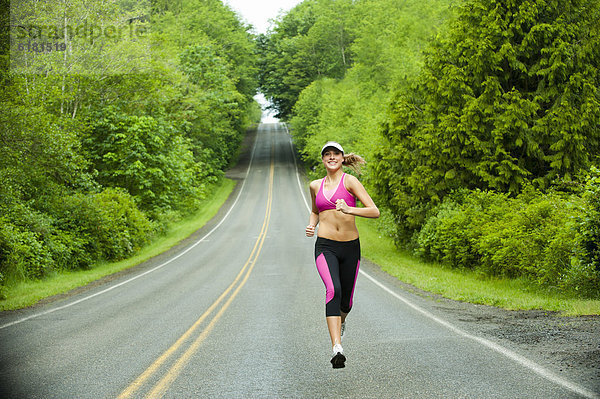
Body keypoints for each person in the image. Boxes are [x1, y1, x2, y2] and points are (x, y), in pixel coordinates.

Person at [305, 141, 380, 369]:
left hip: (350, 248)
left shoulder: (350, 182)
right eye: (326, 154)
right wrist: (311, 225)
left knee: (346, 302)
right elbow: (315, 211)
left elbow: (374, 211)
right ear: (323, 159)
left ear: (341, 157)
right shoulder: (315, 186)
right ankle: (337, 347)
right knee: (333, 290)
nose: (331, 157)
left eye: (335, 154)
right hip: (325, 246)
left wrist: (350, 209)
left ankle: (341, 322)